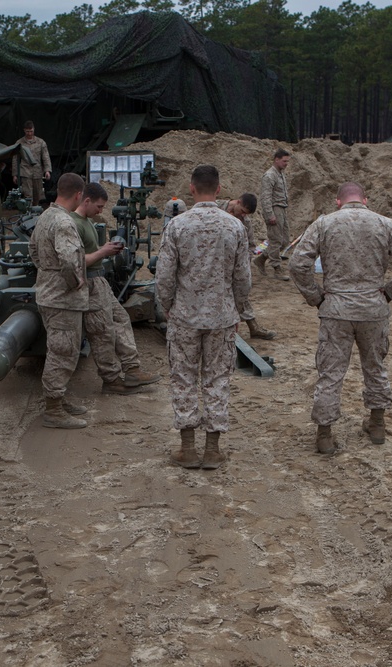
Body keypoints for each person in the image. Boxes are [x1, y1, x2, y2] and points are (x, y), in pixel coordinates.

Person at [289, 182, 392, 455]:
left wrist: (316, 296)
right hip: (373, 308)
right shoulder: (385, 224)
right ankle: (377, 425)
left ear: (338, 202)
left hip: (336, 309)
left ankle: (324, 435)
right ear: (365, 200)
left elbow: (298, 263)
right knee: (375, 367)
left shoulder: (324, 223)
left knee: (330, 373)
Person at [156, 165, 251, 470]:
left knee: (183, 378)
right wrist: (237, 308)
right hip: (221, 317)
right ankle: (212, 449)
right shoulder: (236, 227)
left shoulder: (177, 225)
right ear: (220, 189)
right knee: (217, 379)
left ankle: (187, 448)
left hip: (184, 315)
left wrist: (168, 306)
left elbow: (164, 275)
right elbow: (243, 277)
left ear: (191, 188)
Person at [72, 182, 161, 393]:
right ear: (86, 200)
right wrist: (103, 253)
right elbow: (73, 261)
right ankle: (111, 380)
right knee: (102, 332)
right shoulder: (72, 224)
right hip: (88, 283)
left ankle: (132, 369)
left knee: (121, 319)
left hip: (99, 281)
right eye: (99, 207)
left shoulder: (87, 223)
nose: (101, 211)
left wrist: (105, 249)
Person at [29, 173, 88, 429]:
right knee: (63, 352)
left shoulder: (45, 216)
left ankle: (59, 399)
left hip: (47, 292)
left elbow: (32, 250)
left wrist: (46, 272)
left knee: (60, 349)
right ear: (78, 195)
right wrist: (76, 282)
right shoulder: (64, 222)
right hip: (63, 299)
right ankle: (53, 409)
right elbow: (68, 259)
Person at [217, 194, 276, 340]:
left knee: (240, 293)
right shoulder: (216, 207)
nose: (243, 215)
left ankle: (253, 327)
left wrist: (243, 262)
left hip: (232, 264)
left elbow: (250, 246)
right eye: (242, 211)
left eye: (246, 214)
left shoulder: (245, 223)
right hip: (212, 261)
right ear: (237, 202)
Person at [256, 148, 292, 281]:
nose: (286, 164)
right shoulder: (269, 175)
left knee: (284, 240)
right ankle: (277, 269)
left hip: (282, 208)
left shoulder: (280, 174)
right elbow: (265, 197)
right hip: (274, 209)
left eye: (287, 161)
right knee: (276, 240)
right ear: (276, 159)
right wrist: (270, 214)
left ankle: (262, 258)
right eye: (284, 161)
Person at [12, 121, 52, 206]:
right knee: (28, 194)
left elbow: (45, 156)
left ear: (34, 130)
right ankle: (28, 211)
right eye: (27, 131)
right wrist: (15, 174)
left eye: (31, 131)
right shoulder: (19, 143)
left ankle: (35, 210)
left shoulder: (40, 142)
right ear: (24, 130)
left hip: (37, 171)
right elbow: (15, 159)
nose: (29, 133)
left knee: (37, 194)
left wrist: (47, 170)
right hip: (25, 171)